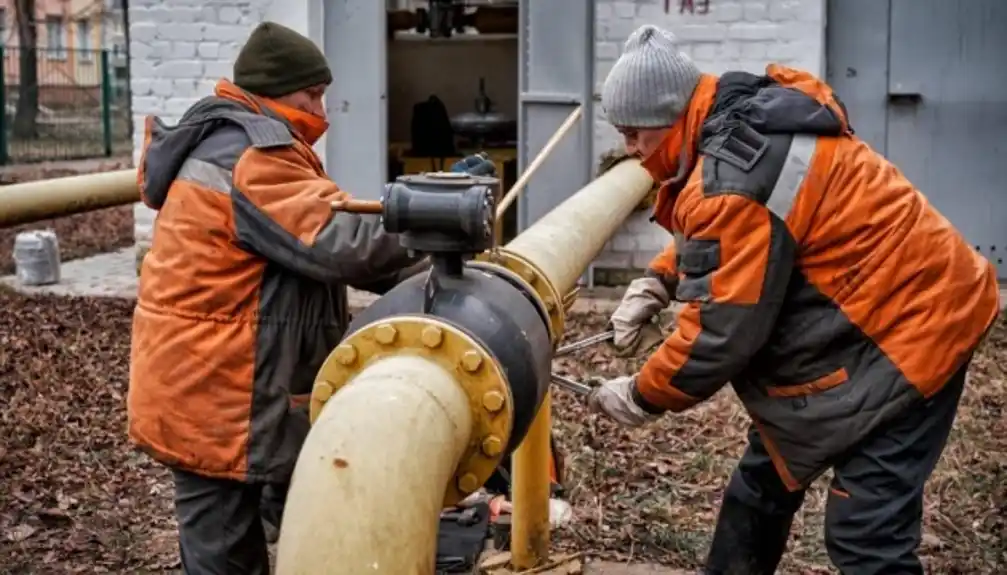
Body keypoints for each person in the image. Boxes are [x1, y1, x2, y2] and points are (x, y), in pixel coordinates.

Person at [588, 24, 1001, 575]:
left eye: (635, 133)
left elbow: (718, 333)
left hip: (915, 334)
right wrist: (660, 280)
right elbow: (747, 232)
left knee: (866, 534)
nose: (630, 149)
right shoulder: (745, 115)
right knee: (761, 486)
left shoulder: (726, 178)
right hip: (893, 309)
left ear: (670, 117)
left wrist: (642, 395)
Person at [127, 21, 493, 574]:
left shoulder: (245, 145)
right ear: (274, 92)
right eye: (312, 95)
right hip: (214, 395)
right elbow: (341, 243)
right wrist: (439, 206)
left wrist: (428, 227)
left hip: (218, 384)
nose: (322, 109)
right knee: (223, 555)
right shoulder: (253, 156)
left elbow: (324, 235)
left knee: (286, 508)